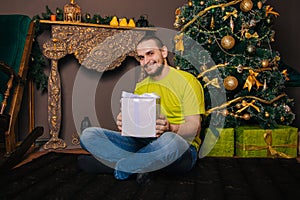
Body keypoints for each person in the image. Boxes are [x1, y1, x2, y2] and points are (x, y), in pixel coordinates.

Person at [78, 34, 205, 184]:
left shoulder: (188, 81)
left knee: (169, 140)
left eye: (150, 53)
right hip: (144, 142)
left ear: (163, 52)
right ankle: (144, 164)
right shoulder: (141, 86)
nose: (146, 61)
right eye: (141, 57)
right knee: (88, 135)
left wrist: (171, 127)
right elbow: (138, 127)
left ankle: (120, 166)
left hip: (180, 146)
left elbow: (194, 128)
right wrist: (125, 121)